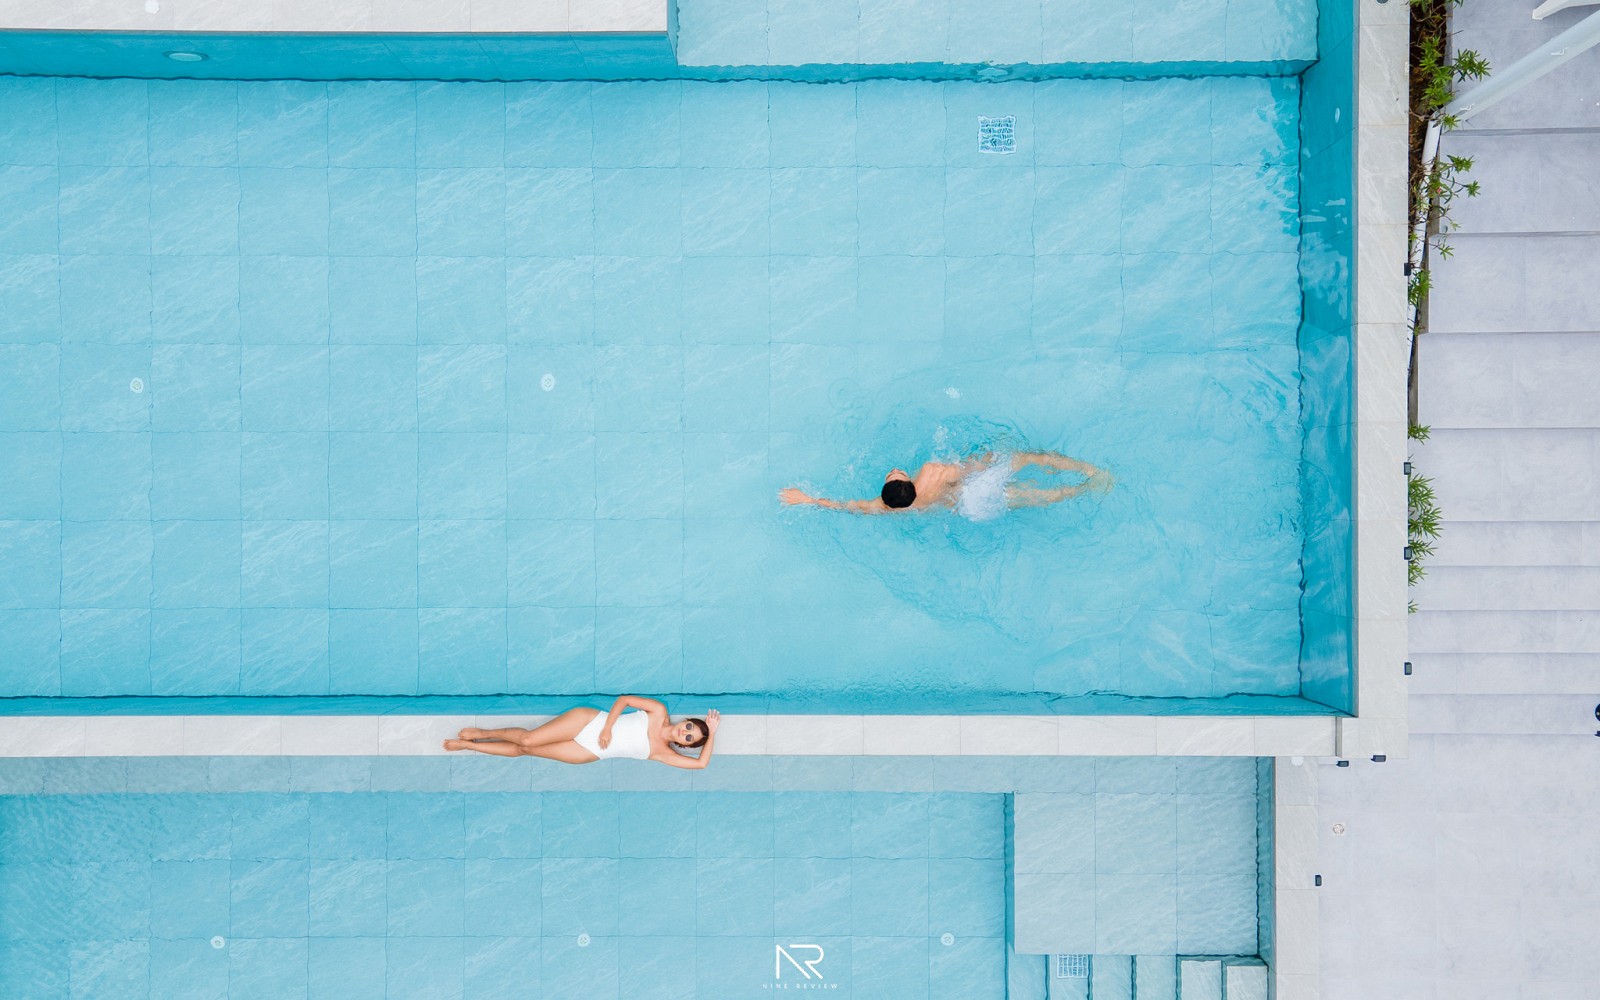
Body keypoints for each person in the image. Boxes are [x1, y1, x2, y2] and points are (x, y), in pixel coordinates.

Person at [779, 450, 1112, 521]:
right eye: (896, 474)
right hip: (973, 488)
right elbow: (972, 469)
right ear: (907, 481)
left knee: (1030, 498)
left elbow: (844, 506)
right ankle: (1089, 472)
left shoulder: (887, 507)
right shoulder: (930, 472)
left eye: (891, 474)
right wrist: (992, 458)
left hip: (966, 506)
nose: (893, 470)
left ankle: (1083, 490)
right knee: (1026, 458)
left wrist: (806, 499)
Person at [443, 697, 719, 767]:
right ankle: (483, 732)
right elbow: (624, 700)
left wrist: (712, 733)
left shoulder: (662, 753)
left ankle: (470, 746)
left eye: (689, 738)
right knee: (528, 738)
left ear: (685, 745)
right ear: (686, 721)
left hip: (589, 751)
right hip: (590, 722)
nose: (684, 733)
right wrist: (608, 728)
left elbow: (701, 764)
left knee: (525, 749)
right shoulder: (659, 711)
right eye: (689, 727)